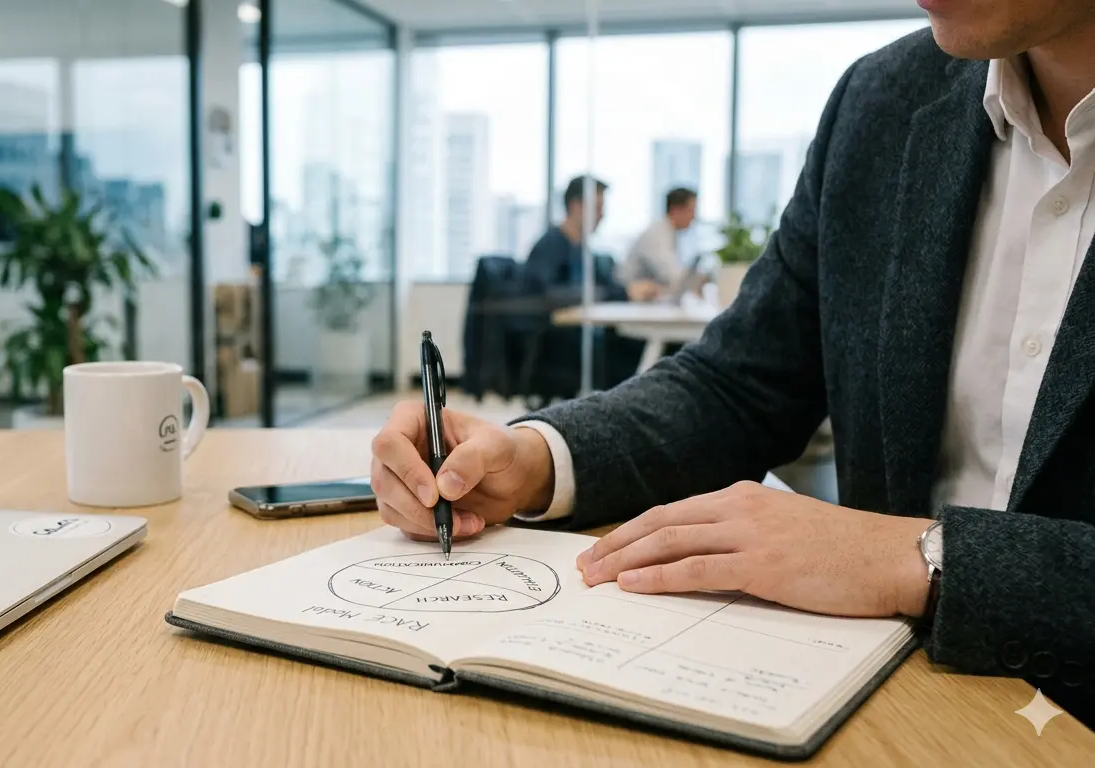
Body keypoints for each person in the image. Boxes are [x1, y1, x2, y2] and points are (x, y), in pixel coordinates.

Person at [371, 10, 1095, 724]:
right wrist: (533, 459)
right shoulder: (884, 100)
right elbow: (739, 384)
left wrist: (922, 559)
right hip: (882, 704)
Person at [519, 176, 641, 388]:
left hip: (580, 336)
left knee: (634, 344)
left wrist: (629, 291)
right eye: (598, 207)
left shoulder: (583, 249)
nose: (602, 215)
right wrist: (608, 293)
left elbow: (606, 287)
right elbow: (548, 295)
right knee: (626, 351)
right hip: (558, 343)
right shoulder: (550, 246)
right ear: (577, 206)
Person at [620, 188, 698, 302]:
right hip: (626, 301)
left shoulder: (670, 233)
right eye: (691, 210)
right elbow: (673, 277)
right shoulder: (656, 235)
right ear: (675, 210)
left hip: (645, 301)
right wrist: (696, 279)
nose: (693, 217)